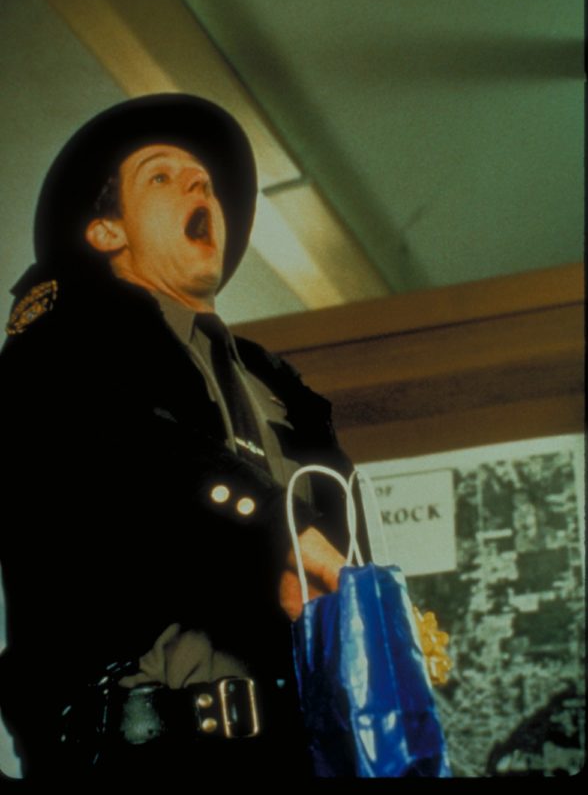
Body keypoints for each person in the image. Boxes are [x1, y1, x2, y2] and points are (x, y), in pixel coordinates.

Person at [0, 94, 365, 782]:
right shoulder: (56, 355)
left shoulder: (276, 386)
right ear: (107, 231)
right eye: (162, 176)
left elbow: (337, 539)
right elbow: (135, 457)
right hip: (136, 758)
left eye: (204, 181)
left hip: (296, 755)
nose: (200, 185)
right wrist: (278, 530)